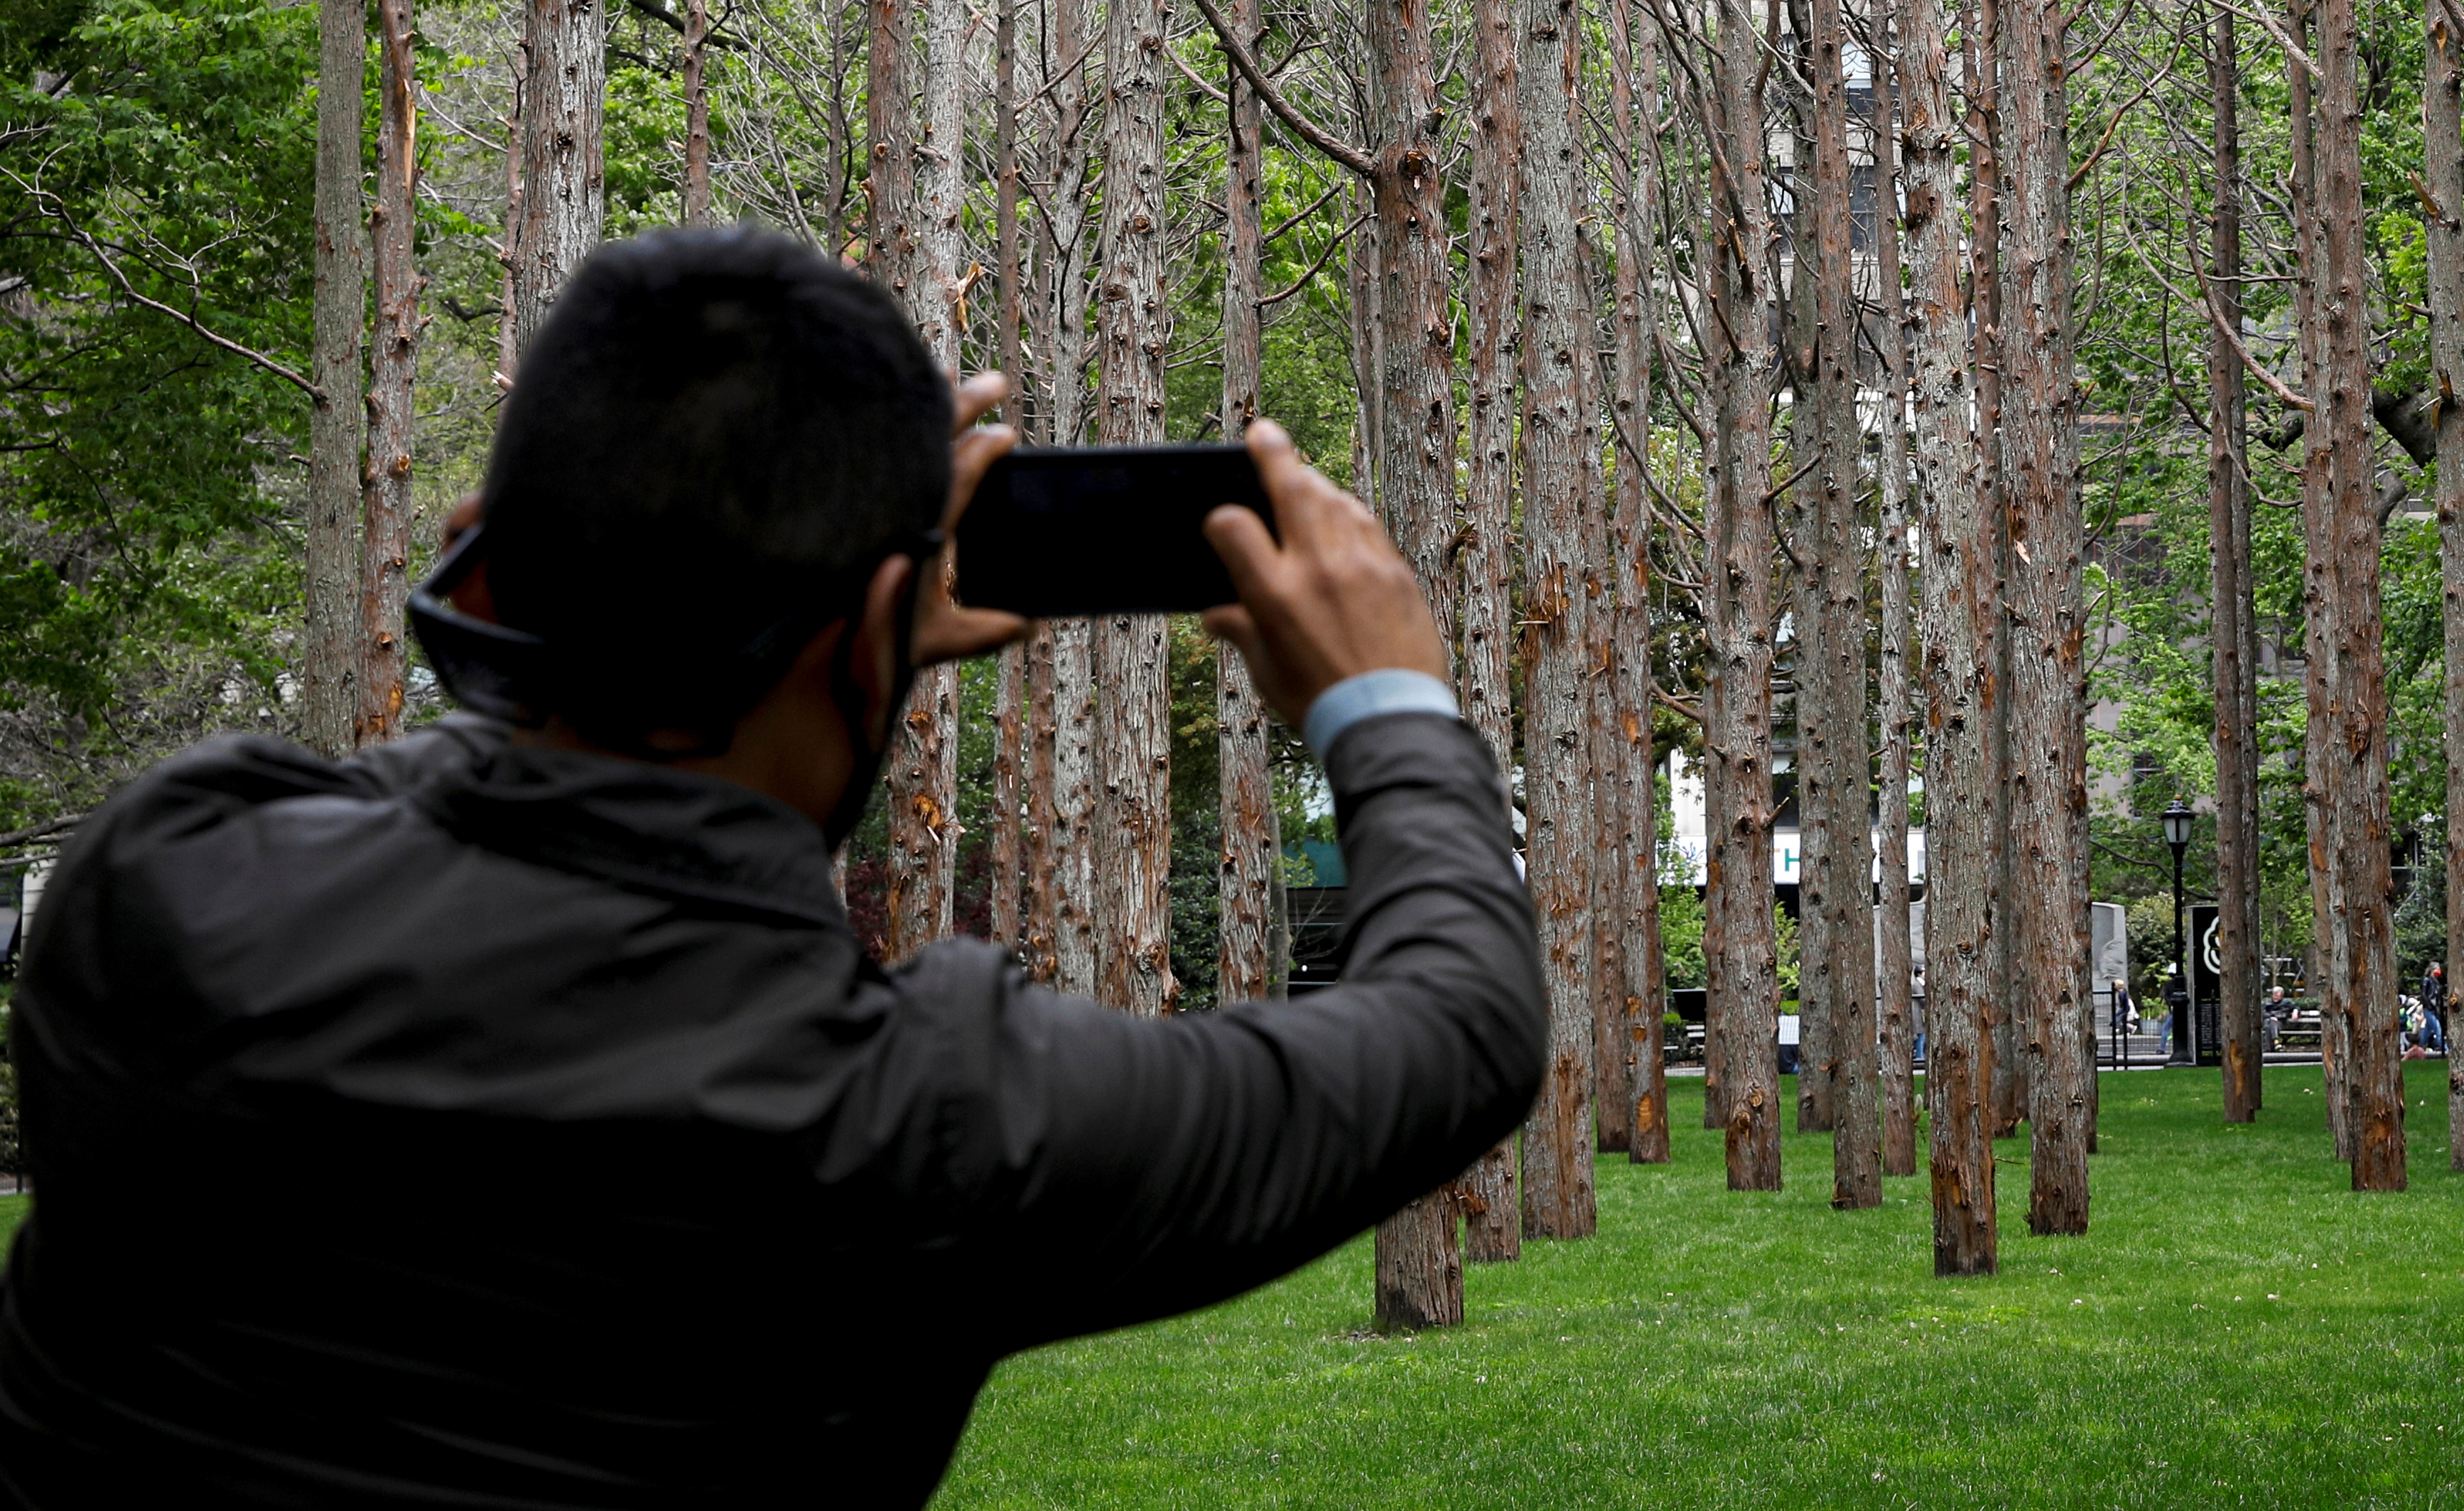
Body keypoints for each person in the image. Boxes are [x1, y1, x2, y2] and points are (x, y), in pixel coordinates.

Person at [0, 230, 1543, 1508]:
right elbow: (1462, 1021)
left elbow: (475, 802)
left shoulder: (152, 890)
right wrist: (1386, 700)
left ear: (487, 550)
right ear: (871, 628)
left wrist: (758, 611)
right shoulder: (918, 1129)